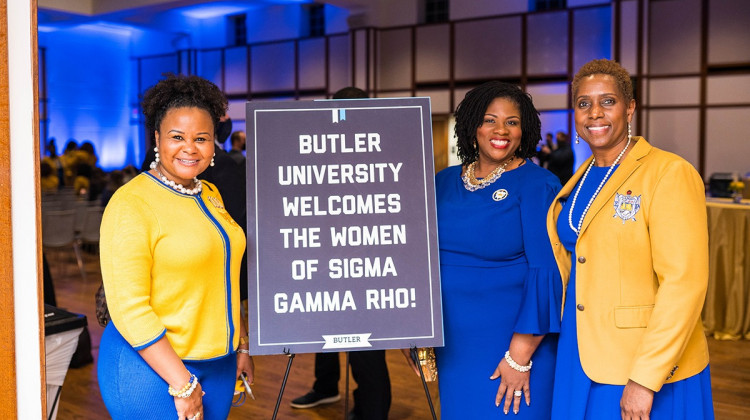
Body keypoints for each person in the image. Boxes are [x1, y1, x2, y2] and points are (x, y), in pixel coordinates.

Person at [548, 58, 714, 419]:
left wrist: (645, 377)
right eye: (583, 103)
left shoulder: (668, 172)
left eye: (607, 101)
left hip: (641, 364)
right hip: (578, 351)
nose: (595, 113)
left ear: (630, 108)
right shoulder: (581, 176)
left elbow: (684, 284)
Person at [98, 74, 254, 420]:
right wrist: (182, 384)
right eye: (177, 137)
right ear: (157, 138)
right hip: (153, 370)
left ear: (214, 143)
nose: (190, 147)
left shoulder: (210, 195)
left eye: (202, 138)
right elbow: (129, 308)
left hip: (218, 364)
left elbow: (223, 276)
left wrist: (241, 343)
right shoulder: (132, 204)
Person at [404, 81, 562, 417]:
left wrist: (519, 356)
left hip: (514, 345)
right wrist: (415, 329)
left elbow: (547, 273)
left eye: (512, 122)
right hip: (455, 347)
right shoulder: (442, 182)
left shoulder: (538, 184)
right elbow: (419, 259)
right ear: (472, 125)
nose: (500, 130)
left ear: (524, 130)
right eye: (490, 120)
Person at [290, 86, 392, 420]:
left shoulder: (380, 148)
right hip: (325, 258)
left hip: (369, 263)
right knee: (324, 330)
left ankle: (371, 411)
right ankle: (327, 387)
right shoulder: (322, 148)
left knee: (367, 347)